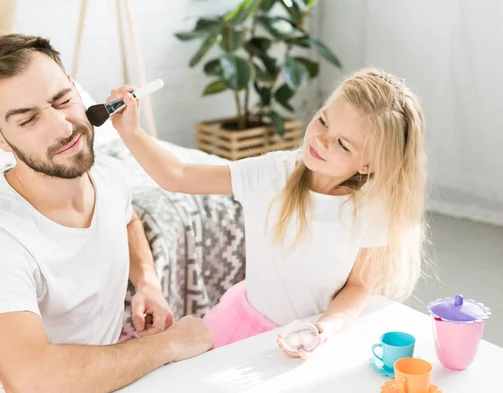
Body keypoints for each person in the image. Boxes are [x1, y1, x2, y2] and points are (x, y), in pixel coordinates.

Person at [0, 33, 212, 393]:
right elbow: (34, 386)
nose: (64, 128)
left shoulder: (109, 176)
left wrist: (147, 283)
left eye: (62, 100)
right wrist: (172, 344)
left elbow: (127, 220)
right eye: (28, 120)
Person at [107, 68, 427, 358]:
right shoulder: (274, 173)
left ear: (368, 164)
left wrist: (324, 329)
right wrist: (131, 132)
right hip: (246, 327)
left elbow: (359, 286)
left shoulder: (370, 209)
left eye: (342, 144)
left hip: (318, 335)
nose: (321, 140)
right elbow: (178, 175)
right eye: (323, 121)